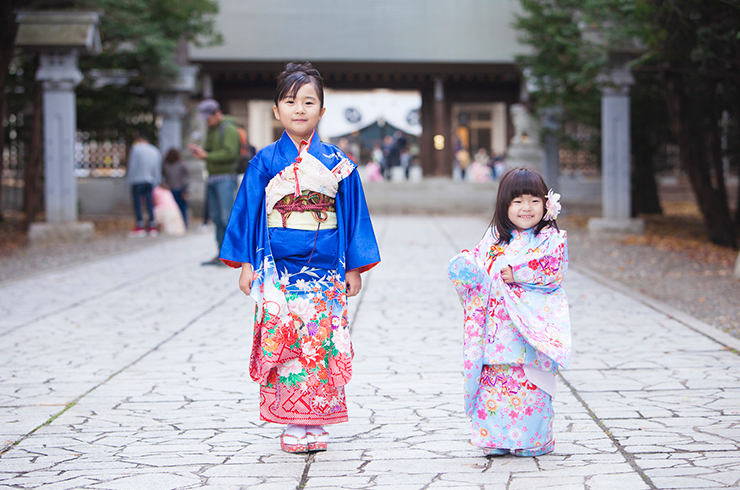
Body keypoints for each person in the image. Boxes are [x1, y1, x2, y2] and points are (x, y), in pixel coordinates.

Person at [219, 62, 381, 454]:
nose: (299, 109)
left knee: (321, 343)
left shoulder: (339, 164)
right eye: (290, 101)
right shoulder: (264, 161)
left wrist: (355, 266)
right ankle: (293, 420)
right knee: (286, 341)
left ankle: (318, 419)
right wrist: (245, 264)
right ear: (277, 110)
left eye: (309, 102)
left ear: (322, 111)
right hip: (278, 267)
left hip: (326, 269)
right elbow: (247, 212)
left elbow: (354, 214)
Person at [447, 168, 571, 457]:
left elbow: (553, 270)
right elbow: (476, 267)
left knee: (530, 386)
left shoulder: (551, 239)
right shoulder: (493, 239)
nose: (526, 208)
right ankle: (495, 439)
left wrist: (519, 272)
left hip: (530, 333)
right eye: (517, 201)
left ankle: (532, 440)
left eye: (534, 201)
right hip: (496, 333)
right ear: (504, 205)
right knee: (496, 386)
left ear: (546, 205)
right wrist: (466, 267)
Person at [187, 99, 241, 265]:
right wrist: (201, 152)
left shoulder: (229, 128)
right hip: (212, 177)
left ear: (217, 113)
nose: (207, 121)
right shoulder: (212, 129)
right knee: (216, 218)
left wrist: (207, 156)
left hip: (225, 178)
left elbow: (231, 153)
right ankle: (220, 254)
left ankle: (232, 255)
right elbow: (210, 150)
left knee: (226, 217)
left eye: (208, 118)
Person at [127, 131, 162, 237]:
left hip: (137, 180)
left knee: (137, 204)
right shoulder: (154, 150)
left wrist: (129, 180)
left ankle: (140, 226)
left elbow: (132, 166)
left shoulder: (136, 149)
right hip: (150, 181)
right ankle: (152, 226)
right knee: (149, 204)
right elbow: (157, 168)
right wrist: (157, 181)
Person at [161, 148, 190, 228]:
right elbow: (186, 177)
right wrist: (186, 189)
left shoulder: (165, 164)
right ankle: (184, 224)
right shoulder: (181, 164)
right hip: (180, 189)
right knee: (182, 208)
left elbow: (163, 176)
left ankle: (174, 225)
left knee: (172, 209)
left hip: (170, 189)